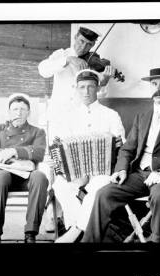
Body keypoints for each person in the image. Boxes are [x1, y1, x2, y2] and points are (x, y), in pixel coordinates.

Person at [81, 65, 160, 243]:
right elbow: (127, 149)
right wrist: (121, 170)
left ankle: (156, 243)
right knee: (103, 194)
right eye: (154, 84)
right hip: (139, 175)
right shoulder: (142, 117)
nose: (158, 89)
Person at [38, 25, 119, 231]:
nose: (83, 46)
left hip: (81, 121)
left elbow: (97, 94)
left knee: (78, 167)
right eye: (81, 41)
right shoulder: (61, 55)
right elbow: (43, 70)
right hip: (58, 120)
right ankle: (52, 215)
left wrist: (105, 81)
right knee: (56, 167)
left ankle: (75, 221)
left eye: (89, 44)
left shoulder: (93, 62)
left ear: (93, 45)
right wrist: (68, 60)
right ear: (76, 37)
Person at [50, 69, 125, 243]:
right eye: (82, 87)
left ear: (97, 88)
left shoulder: (111, 115)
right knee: (60, 185)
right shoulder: (68, 117)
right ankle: (77, 228)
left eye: (90, 87)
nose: (86, 91)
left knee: (98, 190)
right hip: (77, 172)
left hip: (103, 171)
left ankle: (76, 231)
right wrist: (61, 163)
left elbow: (123, 145)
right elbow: (60, 147)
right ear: (76, 89)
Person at [0, 93, 49, 244]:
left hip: (25, 176)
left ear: (29, 112)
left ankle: (31, 233)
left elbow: (39, 152)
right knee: (2, 176)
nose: (18, 113)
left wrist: (14, 151)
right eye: (14, 109)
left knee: (40, 177)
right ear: (8, 112)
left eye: (22, 109)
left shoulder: (37, 132)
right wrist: (2, 155)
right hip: (1, 174)